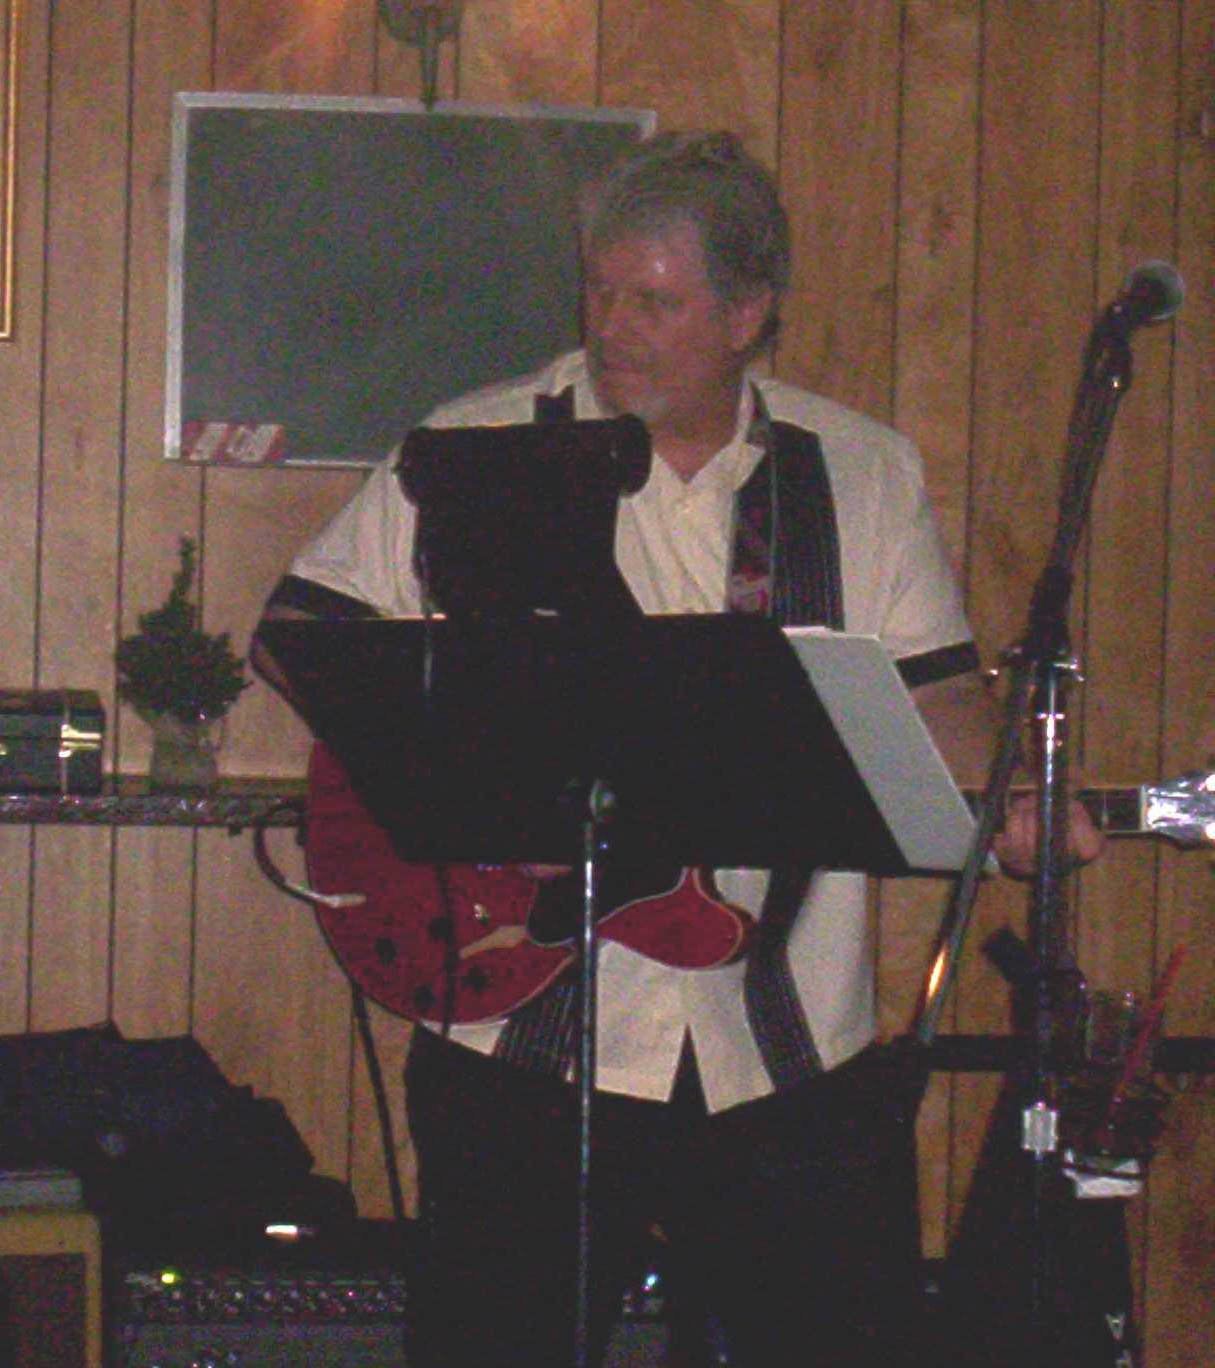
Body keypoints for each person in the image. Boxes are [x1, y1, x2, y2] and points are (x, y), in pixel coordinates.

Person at [253, 130, 1102, 1367]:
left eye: (652, 303)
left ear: (749, 316)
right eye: (598, 292)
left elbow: (933, 694)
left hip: (789, 1046)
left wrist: (1018, 790)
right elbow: (299, 638)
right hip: (521, 1035)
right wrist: (463, 789)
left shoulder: (860, 473)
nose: (611, 328)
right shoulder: (480, 441)